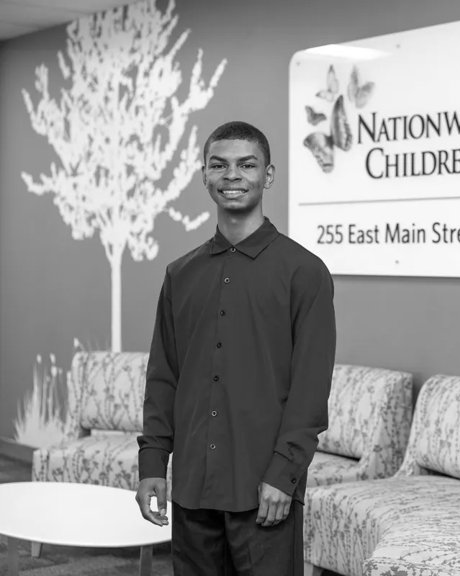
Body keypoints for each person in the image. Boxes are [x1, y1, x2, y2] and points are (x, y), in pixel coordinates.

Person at [136, 121, 336, 576]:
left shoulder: (304, 272)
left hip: (264, 489)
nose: (232, 175)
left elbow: (309, 390)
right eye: (219, 165)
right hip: (192, 487)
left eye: (247, 165)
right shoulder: (180, 274)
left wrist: (283, 477)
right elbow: (164, 376)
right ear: (204, 175)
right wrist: (152, 463)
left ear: (267, 176)